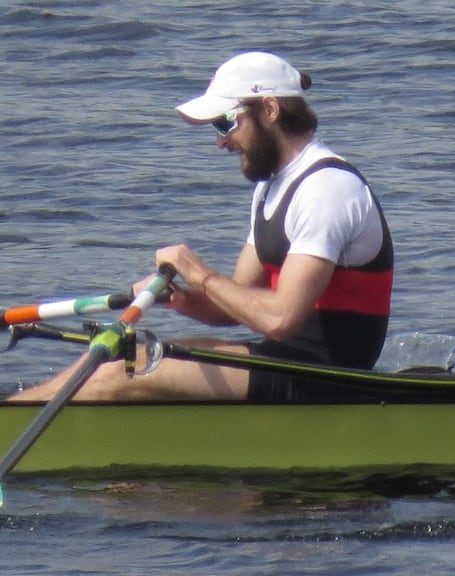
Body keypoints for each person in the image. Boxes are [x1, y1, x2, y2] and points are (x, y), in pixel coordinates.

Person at [11, 51, 393, 402]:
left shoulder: (326, 189)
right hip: (286, 360)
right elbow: (237, 303)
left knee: (120, 372)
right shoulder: (273, 187)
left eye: (226, 123)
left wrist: (199, 273)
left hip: (328, 379)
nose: (220, 141)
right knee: (104, 362)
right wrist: (177, 296)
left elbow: (278, 319)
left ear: (271, 110)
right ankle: (13, 410)